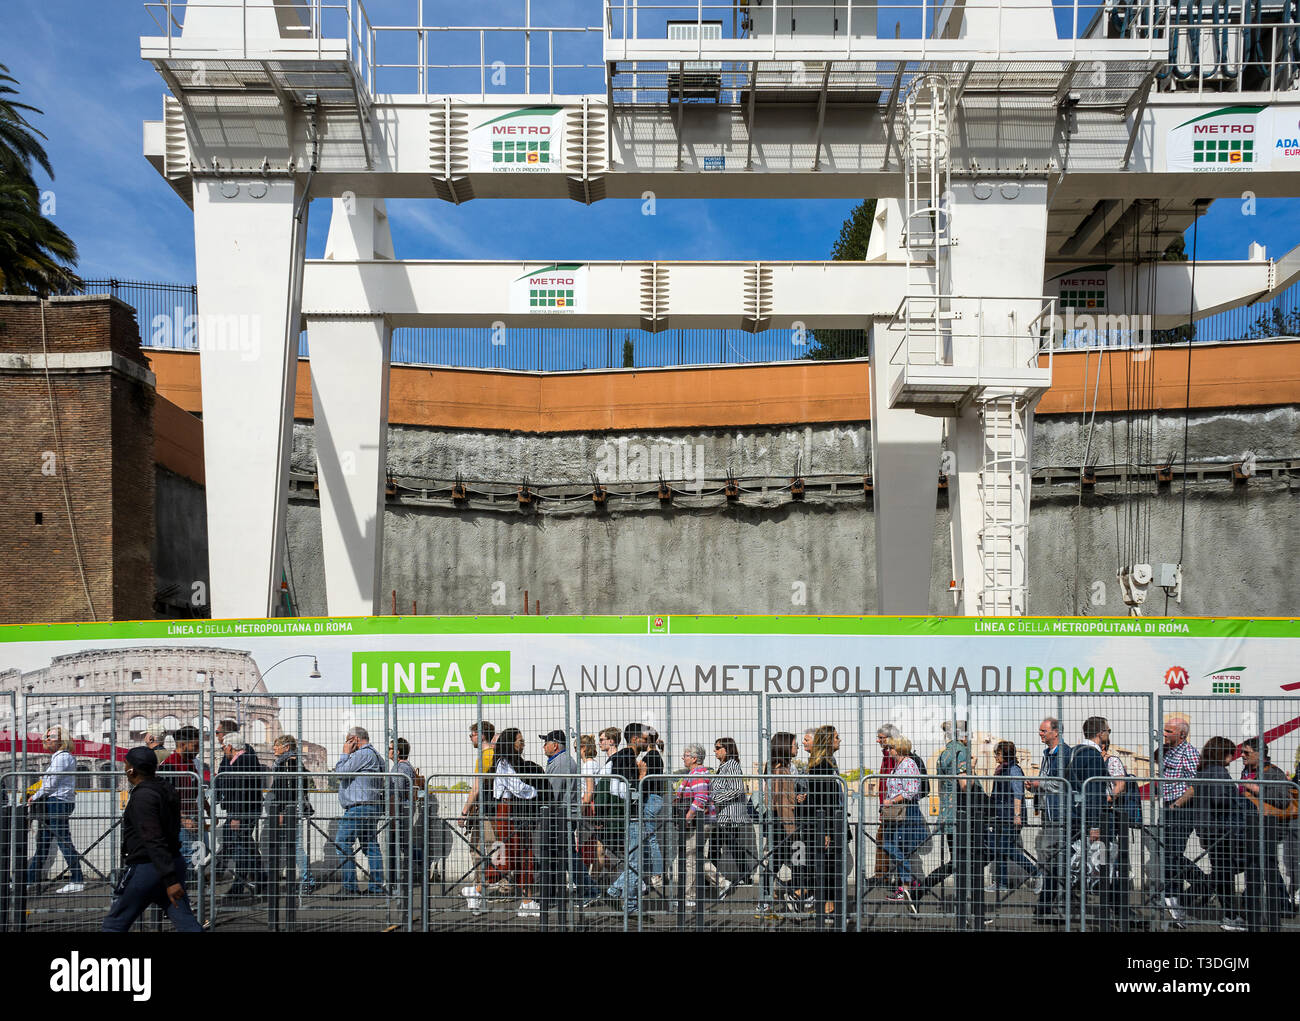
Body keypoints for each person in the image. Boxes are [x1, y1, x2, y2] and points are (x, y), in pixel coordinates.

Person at [101, 747, 201, 932]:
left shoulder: (143, 797)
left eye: (126, 764)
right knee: (185, 921)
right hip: (171, 863)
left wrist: (169, 880)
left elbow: (153, 838)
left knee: (114, 924)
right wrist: (171, 877)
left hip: (149, 868)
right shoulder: (165, 788)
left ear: (132, 770)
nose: (124, 768)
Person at [1190, 735, 1246, 930]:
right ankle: (1230, 916)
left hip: (1210, 829)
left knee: (1223, 871)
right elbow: (1220, 800)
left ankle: (1192, 898)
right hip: (1223, 830)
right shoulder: (1218, 772)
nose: (1234, 757)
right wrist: (1239, 799)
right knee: (1228, 871)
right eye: (1231, 753)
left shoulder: (1203, 772)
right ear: (1223, 754)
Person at [1239, 736, 1295, 931]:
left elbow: (1283, 801)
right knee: (1252, 876)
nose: (1242, 756)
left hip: (1268, 829)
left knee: (1270, 877)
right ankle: (1253, 924)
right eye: (1242, 752)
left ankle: (1273, 925)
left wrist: (1255, 788)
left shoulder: (1273, 773)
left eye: (1246, 752)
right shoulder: (1248, 771)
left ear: (1260, 754)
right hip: (1251, 829)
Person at [487, 728, 541, 918]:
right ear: (510, 743)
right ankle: (478, 888)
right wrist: (535, 791)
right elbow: (516, 787)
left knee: (525, 855)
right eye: (519, 740)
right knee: (511, 854)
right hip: (505, 811)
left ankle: (527, 901)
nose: (522, 743)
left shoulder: (511, 763)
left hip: (513, 811)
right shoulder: (503, 763)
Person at [542, 729, 600, 905]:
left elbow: (552, 793)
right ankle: (587, 889)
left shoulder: (561, 763)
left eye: (546, 742)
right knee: (565, 855)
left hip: (563, 816)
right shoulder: (560, 761)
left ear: (555, 745)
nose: (544, 746)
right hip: (563, 815)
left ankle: (589, 890)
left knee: (568, 856)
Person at [1159, 716, 1207, 926]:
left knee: (1173, 852)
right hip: (1169, 806)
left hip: (1182, 809)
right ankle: (1177, 893)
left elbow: (1197, 783)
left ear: (1181, 734)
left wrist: (1178, 803)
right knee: (1169, 852)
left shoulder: (1189, 753)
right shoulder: (1169, 750)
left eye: (1169, 731)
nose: (1165, 734)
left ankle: (1179, 893)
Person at [26, 726, 85, 894]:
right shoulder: (61, 758)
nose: (47, 739)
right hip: (56, 802)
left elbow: (50, 784)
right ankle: (29, 880)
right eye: (46, 736)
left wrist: (35, 796)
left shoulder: (62, 758)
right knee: (44, 844)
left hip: (57, 802)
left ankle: (77, 880)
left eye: (51, 736)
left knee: (63, 841)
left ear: (61, 740)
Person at [1065, 717, 1112, 924]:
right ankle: (1106, 910)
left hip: (1073, 814)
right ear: (1100, 733)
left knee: (1077, 859)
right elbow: (1093, 792)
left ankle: (1069, 900)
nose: (1109, 733)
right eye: (1108, 730)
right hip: (1087, 817)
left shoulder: (1074, 752)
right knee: (1101, 862)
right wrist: (1095, 825)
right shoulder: (1093, 756)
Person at [917, 720, 970, 899]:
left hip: (948, 815)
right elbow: (965, 785)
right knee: (971, 860)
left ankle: (919, 892)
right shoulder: (961, 752)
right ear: (963, 734)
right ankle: (969, 909)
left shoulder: (944, 754)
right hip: (963, 817)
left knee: (959, 862)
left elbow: (941, 787)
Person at [332, 726, 385, 897]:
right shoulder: (376, 755)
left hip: (358, 807)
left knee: (342, 842)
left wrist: (345, 753)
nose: (346, 743)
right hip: (371, 806)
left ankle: (350, 887)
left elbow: (340, 773)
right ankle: (376, 888)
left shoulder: (362, 754)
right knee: (371, 846)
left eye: (348, 740)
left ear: (354, 739)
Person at [214, 732, 266, 902]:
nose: (223, 750)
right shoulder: (240, 760)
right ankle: (262, 880)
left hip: (242, 812)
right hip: (242, 810)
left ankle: (242, 884)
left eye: (224, 747)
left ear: (230, 746)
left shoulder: (244, 761)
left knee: (241, 847)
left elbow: (241, 792)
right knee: (244, 845)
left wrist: (236, 815)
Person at [1028, 717, 1070, 924]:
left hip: (1059, 815)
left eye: (1044, 731)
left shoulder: (1063, 754)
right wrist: (1036, 785)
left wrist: (1039, 783)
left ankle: (1053, 906)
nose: (1040, 734)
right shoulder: (1048, 754)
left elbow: (1061, 783)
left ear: (1056, 732)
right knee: (1052, 861)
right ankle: (1048, 905)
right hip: (1049, 814)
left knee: (1057, 862)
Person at [987, 741, 1041, 895]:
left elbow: (1018, 793)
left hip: (1011, 817)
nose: (996, 756)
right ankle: (1002, 882)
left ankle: (1036, 872)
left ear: (1004, 754)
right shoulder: (1001, 769)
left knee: (1005, 848)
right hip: (1001, 816)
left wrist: (1017, 815)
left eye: (998, 753)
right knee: (1000, 850)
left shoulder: (1013, 770)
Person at [880, 734, 927, 912]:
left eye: (890, 748)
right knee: (891, 845)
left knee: (898, 846)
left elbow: (910, 791)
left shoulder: (907, 764)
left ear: (898, 749)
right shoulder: (900, 765)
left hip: (905, 812)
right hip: (898, 813)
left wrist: (891, 801)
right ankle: (908, 882)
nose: (888, 751)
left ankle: (907, 885)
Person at [266, 734, 316, 902]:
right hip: (292, 810)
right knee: (293, 846)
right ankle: (304, 880)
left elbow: (286, 791)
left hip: (289, 811)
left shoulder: (288, 763)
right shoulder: (290, 763)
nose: (274, 748)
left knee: (295, 847)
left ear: (286, 747)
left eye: (277, 745)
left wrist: (282, 811)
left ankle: (307, 880)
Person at [674, 742, 725, 907]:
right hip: (699, 821)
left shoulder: (697, 774)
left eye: (686, 755)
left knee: (690, 857)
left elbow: (701, 798)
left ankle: (689, 896)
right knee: (694, 856)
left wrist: (687, 817)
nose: (683, 758)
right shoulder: (696, 773)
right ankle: (722, 883)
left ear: (695, 758)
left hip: (699, 821)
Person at [602, 723, 645, 913]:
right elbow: (618, 789)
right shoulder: (626, 757)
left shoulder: (624, 757)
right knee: (635, 863)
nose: (648, 741)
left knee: (637, 861)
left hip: (630, 816)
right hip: (632, 817)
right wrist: (642, 776)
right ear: (635, 739)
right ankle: (618, 894)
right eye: (645, 738)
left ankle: (628, 903)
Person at [806, 725, 846, 919]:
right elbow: (822, 802)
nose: (840, 740)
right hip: (828, 824)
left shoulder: (827, 764)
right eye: (837, 737)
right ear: (828, 741)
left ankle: (829, 907)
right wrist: (826, 831)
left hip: (832, 823)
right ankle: (828, 909)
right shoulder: (822, 767)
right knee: (830, 866)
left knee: (833, 865)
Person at [457, 720, 495, 906]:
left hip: (486, 809)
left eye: (471, 735)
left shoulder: (486, 755)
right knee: (490, 847)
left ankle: (484, 886)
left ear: (481, 736)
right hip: (491, 808)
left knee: (481, 849)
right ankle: (481, 885)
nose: (470, 738)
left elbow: (477, 787)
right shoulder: (493, 753)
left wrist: (465, 811)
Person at [710, 736, 754, 890]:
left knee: (723, 847)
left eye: (718, 747)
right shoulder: (723, 766)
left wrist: (716, 798)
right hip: (722, 816)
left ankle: (738, 876)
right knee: (725, 846)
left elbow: (737, 788)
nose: (715, 750)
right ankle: (739, 876)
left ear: (727, 749)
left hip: (730, 815)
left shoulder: (732, 765)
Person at [167, 725, 210, 877]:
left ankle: (193, 892)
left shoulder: (190, 764)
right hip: (180, 822)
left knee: (201, 855)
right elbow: (167, 799)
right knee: (188, 858)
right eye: (195, 745)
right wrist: (183, 819)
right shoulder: (169, 765)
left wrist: (207, 810)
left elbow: (195, 790)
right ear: (182, 744)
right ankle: (185, 895)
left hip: (193, 818)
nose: (198, 750)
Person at [767, 732, 801, 910]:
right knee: (798, 860)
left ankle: (768, 899)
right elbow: (782, 803)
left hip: (779, 822)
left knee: (777, 861)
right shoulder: (781, 771)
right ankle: (794, 896)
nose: (797, 748)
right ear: (785, 747)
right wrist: (792, 829)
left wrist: (796, 798)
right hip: (785, 824)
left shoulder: (777, 768)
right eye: (795, 745)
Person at [387, 737, 422, 904]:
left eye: (391, 748)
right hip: (405, 812)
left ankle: (394, 883)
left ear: (398, 752)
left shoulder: (399, 768)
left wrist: (393, 818)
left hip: (399, 814)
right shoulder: (407, 767)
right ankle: (421, 864)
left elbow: (396, 794)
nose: (388, 751)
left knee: (395, 846)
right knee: (404, 845)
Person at [870, 723, 902, 883]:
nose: (878, 741)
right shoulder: (888, 755)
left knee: (886, 839)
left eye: (881, 738)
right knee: (884, 839)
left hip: (893, 807)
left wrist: (887, 804)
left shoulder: (893, 757)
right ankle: (883, 875)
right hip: (888, 806)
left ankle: (884, 876)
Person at [638, 726, 666, 894]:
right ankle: (652, 874)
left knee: (650, 837)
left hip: (652, 799)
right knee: (648, 837)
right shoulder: (655, 756)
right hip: (655, 799)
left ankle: (656, 874)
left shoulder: (651, 757)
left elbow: (646, 782)